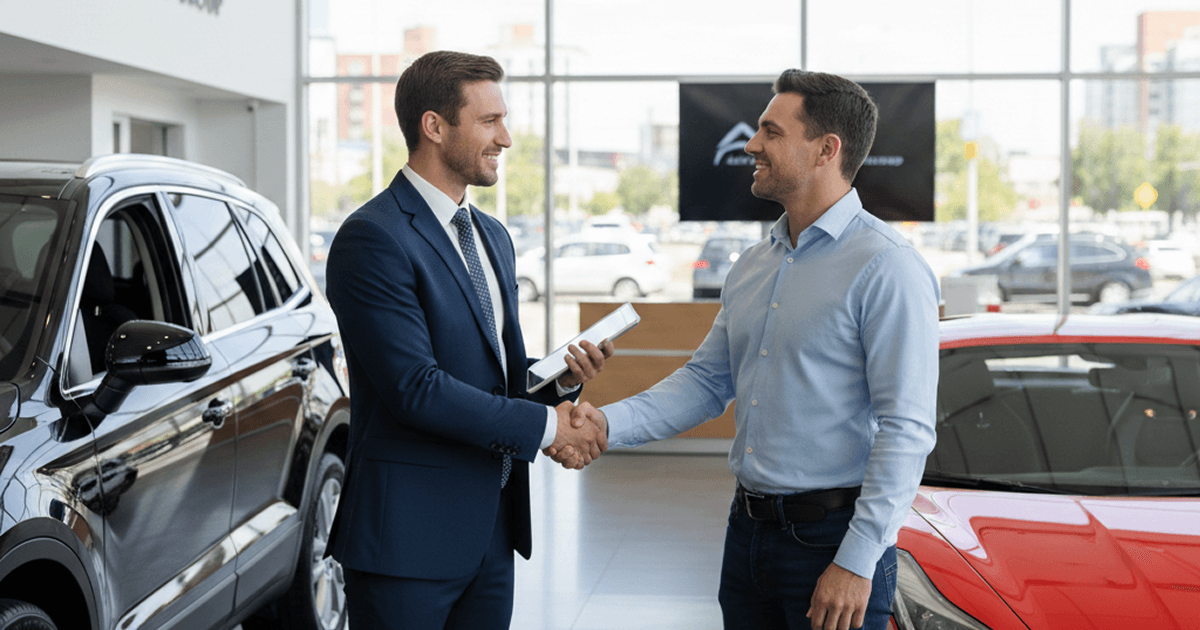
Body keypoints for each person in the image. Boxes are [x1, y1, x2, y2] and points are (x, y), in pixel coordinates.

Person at [555, 70, 939, 630]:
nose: (752, 144)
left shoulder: (887, 266)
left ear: (826, 150)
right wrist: (605, 425)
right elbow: (707, 382)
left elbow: (907, 427)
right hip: (748, 533)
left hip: (833, 542)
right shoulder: (756, 264)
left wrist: (857, 561)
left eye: (771, 132)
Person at [324, 50, 611, 630]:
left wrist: (558, 378)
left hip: (491, 531)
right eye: (489, 121)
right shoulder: (372, 238)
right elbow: (416, 388)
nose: (506, 137)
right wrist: (550, 427)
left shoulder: (492, 235)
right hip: (406, 541)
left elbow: (491, 373)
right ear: (434, 126)